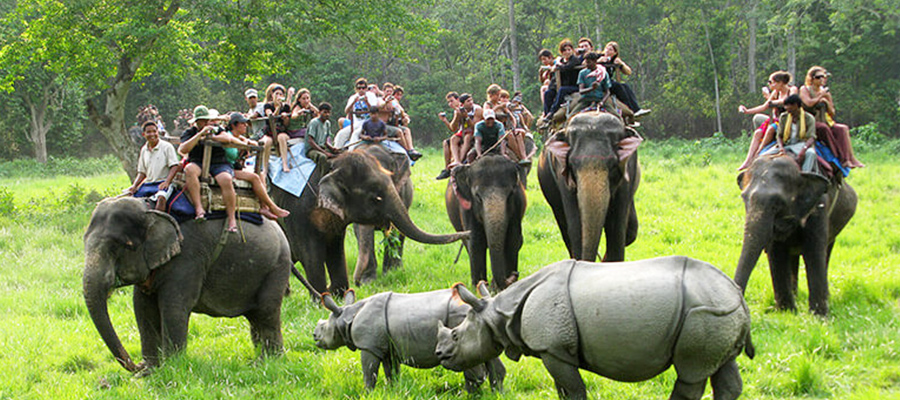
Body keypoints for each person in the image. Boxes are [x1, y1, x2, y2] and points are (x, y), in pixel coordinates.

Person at [179, 105, 241, 232]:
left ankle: (232, 218)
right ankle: (198, 208)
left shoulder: (216, 129)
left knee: (226, 179)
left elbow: (227, 138)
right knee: (189, 170)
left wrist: (211, 137)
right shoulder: (190, 132)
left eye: (205, 120)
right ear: (196, 121)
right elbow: (183, 149)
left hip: (218, 163)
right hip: (198, 162)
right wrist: (200, 135)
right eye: (201, 120)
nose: (204, 123)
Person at [222, 112, 290, 220]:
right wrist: (244, 144)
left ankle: (264, 206)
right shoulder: (227, 136)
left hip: (233, 168)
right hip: (224, 169)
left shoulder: (238, 137)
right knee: (254, 177)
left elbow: (254, 144)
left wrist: (245, 142)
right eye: (242, 123)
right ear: (234, 125)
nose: (245, 125)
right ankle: (273, 206)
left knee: (261, 175)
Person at [799, 66, 864, 168]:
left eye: (824, 77)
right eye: (818, 77)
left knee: (842, 129)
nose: (822, 79)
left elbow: (832, 112)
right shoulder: (805, 89)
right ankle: (839, 156)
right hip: (810, 122)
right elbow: (809, 103)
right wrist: (821, 96)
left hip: (825, 120)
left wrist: (826, 101)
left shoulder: (826, 93)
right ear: (812, 78)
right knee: (823, 128)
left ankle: (849, 158)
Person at [737, 71, 797, 170]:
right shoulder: (776, 93)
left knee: (770, 129)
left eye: (771, 82)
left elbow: (790, 100)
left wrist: (772, 101)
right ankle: (748, 161)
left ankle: (758, 153)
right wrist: (747, 111)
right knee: (758, 133)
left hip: (788, 121)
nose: (770, 85)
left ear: (781, 82)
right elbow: (764, 106)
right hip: (776, 120)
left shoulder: (792, 89)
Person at [126, 121, 181, 211]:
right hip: (148, 184)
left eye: (154, 131)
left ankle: (158, 222)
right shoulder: (144, 150)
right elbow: (142, 172)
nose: (152, 134)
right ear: (144, 134)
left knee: (161, 197)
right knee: (132, 202)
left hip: (163, 182)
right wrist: (134, 186)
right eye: (148, 132)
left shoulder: (167, 147)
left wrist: (167, 182)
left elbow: (174, 166)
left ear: (157, 132)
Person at [759, 94, 819, 174]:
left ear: (796, 105)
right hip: (786, 144)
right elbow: (779, 135)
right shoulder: (784, 117)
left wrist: (803, 150)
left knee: (811, 153)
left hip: (801, 144)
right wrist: (781, 148)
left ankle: (805, 175)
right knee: (763, 156)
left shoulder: (808, 118)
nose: (787, 109)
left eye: (789, 106)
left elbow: (811, 137)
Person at [436, 93, 482, 179]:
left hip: (473, 132)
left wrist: (466, 117)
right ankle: (449, 166)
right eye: (449, 102)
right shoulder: (457, 111)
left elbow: (475, 127)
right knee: (452, 139)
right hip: (463, 131)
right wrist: (450, 119)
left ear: (458, 101)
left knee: (468, 137)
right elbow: (453, 128)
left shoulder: (477, 109)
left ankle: (460, 161)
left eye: (452, 101)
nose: (450, 104)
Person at [599, 41, 650, 118]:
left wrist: (621, 63)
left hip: (609, 81)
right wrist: (598, 61)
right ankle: (629, 107)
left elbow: (628, 72)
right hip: (600, 81)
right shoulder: (599, 57)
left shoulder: (615, 61)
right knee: (618, 87)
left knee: (625, 86)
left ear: (615, 53)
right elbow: (586, 63)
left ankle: (636, 109)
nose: (607, 51)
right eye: (606, 49)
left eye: (610, 50)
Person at [335, 78, 381, 148]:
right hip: (356, 123)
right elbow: (346, 111)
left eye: (363, 88)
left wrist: (367, 102)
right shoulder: (353, 97)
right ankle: (336, 151)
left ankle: (351, 152)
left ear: (366, 88)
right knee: (341, 134)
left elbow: (374, 111)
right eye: (359, 88)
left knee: (355, 134)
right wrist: (353, 102)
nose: (361, 90)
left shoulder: (371, 96)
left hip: (368, 122)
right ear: (356, 89)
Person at [543, 39, 580, 121]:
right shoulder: (562, 60)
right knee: (548, 93)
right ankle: (546, 115)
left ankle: (552, 112)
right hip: (564, 85)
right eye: (564, 50)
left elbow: (567, 67)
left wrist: (558, 65)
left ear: (572, 50)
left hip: (575, 86)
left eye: (569, 50)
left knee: (562, 90)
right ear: (561, 52)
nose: (567, 52)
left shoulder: (574, 60)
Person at [262, 83, 297, 172]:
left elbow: (286, 124)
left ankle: (284, 163)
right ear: (272, 95)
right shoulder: (268, 106)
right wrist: (277, 108)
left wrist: (285, 118)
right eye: (276, 94)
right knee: (267, 142)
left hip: (281, 132)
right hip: (270, 132)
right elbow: (271, 117)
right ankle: (265, 168)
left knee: (281, 137)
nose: (278, 96)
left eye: (280, 94)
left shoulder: (285, 107)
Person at [383, 84, 422, 160]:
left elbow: (399, 112)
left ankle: (411, 149)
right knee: (399, 131)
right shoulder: (383, 101)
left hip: (393, 124)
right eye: (397, 95)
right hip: (384, 125)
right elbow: (400, 110)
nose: (399, 97)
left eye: (400, 95)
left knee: (406, 130)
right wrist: (403, 114)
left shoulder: (394, 102)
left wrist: (405, 117)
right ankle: (406, 151)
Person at [306, 102, 339, 173]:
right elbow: (310, 141)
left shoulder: (327, 123)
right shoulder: (314, 122)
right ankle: (323, 178)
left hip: (322, 148)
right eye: (325, 112)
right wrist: (324, 152)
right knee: (323, 157)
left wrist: (332, 148)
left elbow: (326, 141)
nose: (327, 115)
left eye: (328, 113)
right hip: (312, 150)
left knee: (340, 154)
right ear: (320, 112)